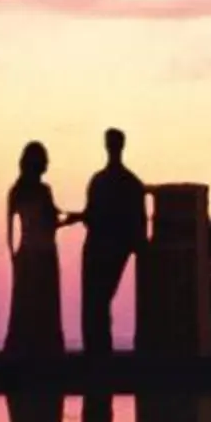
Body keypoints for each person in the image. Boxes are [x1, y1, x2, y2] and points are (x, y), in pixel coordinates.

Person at [79, 128, 148, 354]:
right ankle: (99, 350)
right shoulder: (129, 183)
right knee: (98, 301)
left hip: (106, 247)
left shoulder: (104, 181)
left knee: (95, 302)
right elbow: (139, 224)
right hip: (110, 246)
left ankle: (97, 350)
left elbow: (91, 217)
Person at [5, 141, 65, 356]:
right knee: (44, 307)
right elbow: (52, 222)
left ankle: (22, 349)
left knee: (25, 306)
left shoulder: (16, 191)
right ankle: (46, 350)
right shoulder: (43, 191)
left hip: (26, 253)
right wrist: (77, 218)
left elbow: (10, 234)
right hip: (44, 253)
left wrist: (14, 257)